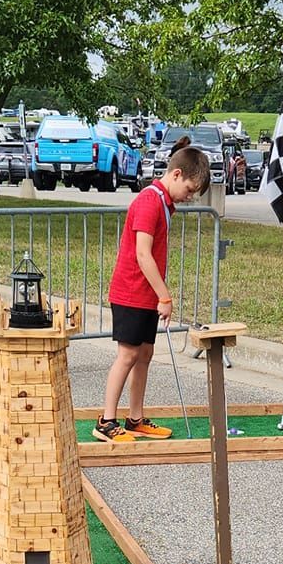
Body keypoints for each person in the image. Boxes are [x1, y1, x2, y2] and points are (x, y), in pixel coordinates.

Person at [94, 139, 211, 443]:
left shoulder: (163, 202)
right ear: (175, 175)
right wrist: (165, 295)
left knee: (144, 353)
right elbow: (143, 254)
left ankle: (135, 418)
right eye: (189, 190)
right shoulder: (149, 202)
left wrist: (157, 295)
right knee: (128, 354)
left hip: (145, 294)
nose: (188, 197)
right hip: (132, 291)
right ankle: (106, 420)